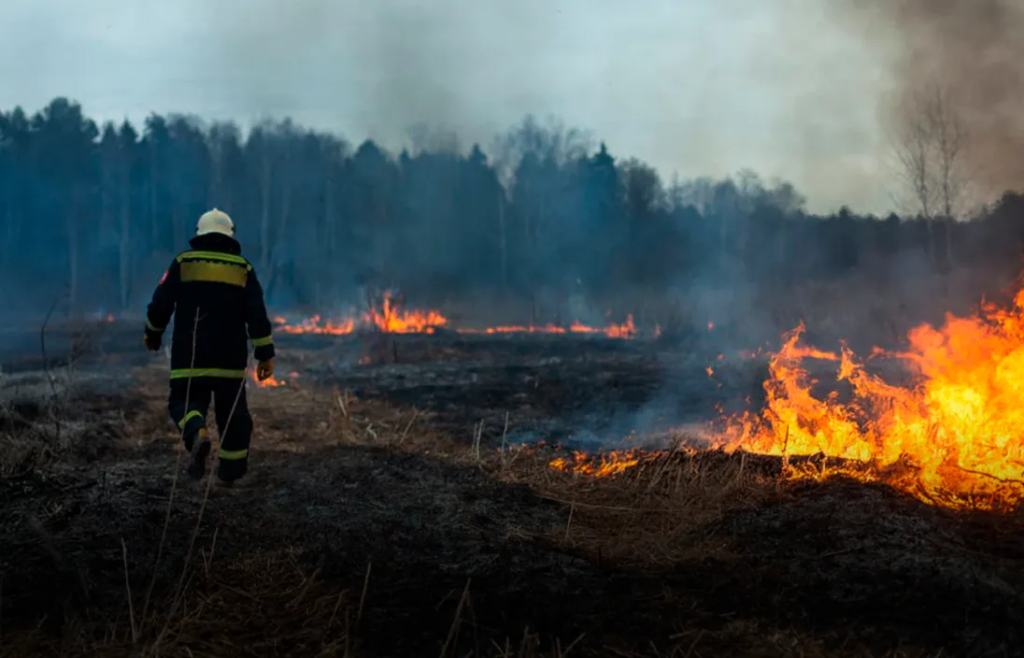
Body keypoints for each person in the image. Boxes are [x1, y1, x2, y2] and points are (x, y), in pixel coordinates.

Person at [143, 208, 276, 485]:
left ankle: (197, 432)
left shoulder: (183, 262)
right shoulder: (243, 268)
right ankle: (230, 475)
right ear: (230, 236)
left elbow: (160, 305)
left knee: (183, 402)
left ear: (199, 234)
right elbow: (257, 314)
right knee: (234, 417)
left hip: (189, 356)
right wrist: (265, 356)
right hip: (230, 361)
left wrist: (152, 334)